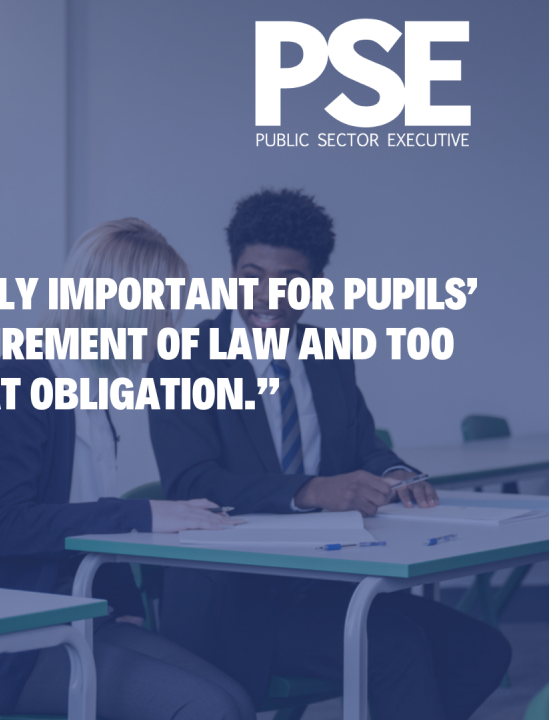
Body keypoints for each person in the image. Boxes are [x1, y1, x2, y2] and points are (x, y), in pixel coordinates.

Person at [147, 189, 511, 719]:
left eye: (289, 281)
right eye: (253, 274)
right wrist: (310, 490)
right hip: (239, 602)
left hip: (331, 581)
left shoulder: (327, 355)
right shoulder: (184, 361)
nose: (267, 296)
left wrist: (397, 472)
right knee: (396, 648)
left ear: (314, 284)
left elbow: (363, 445)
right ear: (231, 269)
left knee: (483, 650)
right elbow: (190, 483)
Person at [0, 219, 255, 720]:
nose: (168, 328)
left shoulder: (91, 394)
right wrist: (143, 514)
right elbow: (5, 526)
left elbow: (87, 522)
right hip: (8, 646)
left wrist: (121, 600)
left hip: (76, 617)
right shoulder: (20, 381)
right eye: (163, 310)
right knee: (207, 707)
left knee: (236, 701)